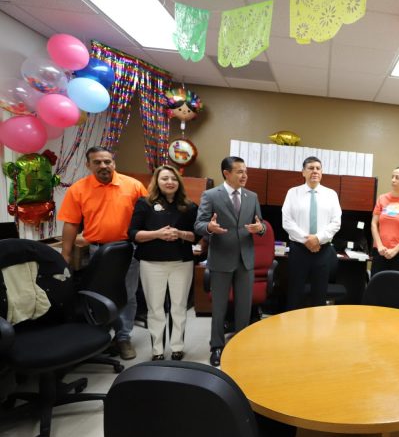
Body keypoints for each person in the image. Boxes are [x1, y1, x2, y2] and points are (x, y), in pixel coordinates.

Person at [57, 146, 147, 360]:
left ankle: (123, 337)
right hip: (98, 250)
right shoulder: (78, 189)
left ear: (113, 163)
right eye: (97, 162)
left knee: (128, 294)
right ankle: (102, 336)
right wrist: (65, 254)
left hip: (128, 249)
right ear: (88, 165)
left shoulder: (134, 186)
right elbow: (71, 223)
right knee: (100, 294)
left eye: (107, 161)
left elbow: (147, 216)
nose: (103, 165)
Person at [195, 156, 265, 366]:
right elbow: (199, 224)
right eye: (239, 171)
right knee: (219, 307)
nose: (244, 175)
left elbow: (260, 225)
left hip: (245, 260)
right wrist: (209, 228)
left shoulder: (252, 196)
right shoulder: (210, 195)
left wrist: (260, 228)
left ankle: (240, 345)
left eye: (245, 172)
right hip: (221, 258)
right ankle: (216, 346)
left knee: (244, 307)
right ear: (226, 173)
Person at [129, 165, 198, 361]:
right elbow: (133, 234)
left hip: (181, 264)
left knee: (179, 307)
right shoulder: (144, 204)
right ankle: (157, 350)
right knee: (155, 308)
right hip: (152, 264)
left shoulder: (189, 206)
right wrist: (158, 234)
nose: (169, 182)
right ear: (157, 182)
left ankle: (177, 347)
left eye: (173, 179)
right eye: (165, 178)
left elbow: (197, 236)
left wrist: (180, 234)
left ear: (179, 182)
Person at [282, 156, 342, 310]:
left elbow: (336, 222)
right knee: (295, 293)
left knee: (319, 295)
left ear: (322, 172)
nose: (315, 171)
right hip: (299, 249)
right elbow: (287, 222)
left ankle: (317, 325)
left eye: (318, 168)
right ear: (303, 172)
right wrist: (307, 240)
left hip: (322, 250)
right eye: (310, 168)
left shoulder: (331, 194)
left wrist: (317, 239)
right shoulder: (293, 193)